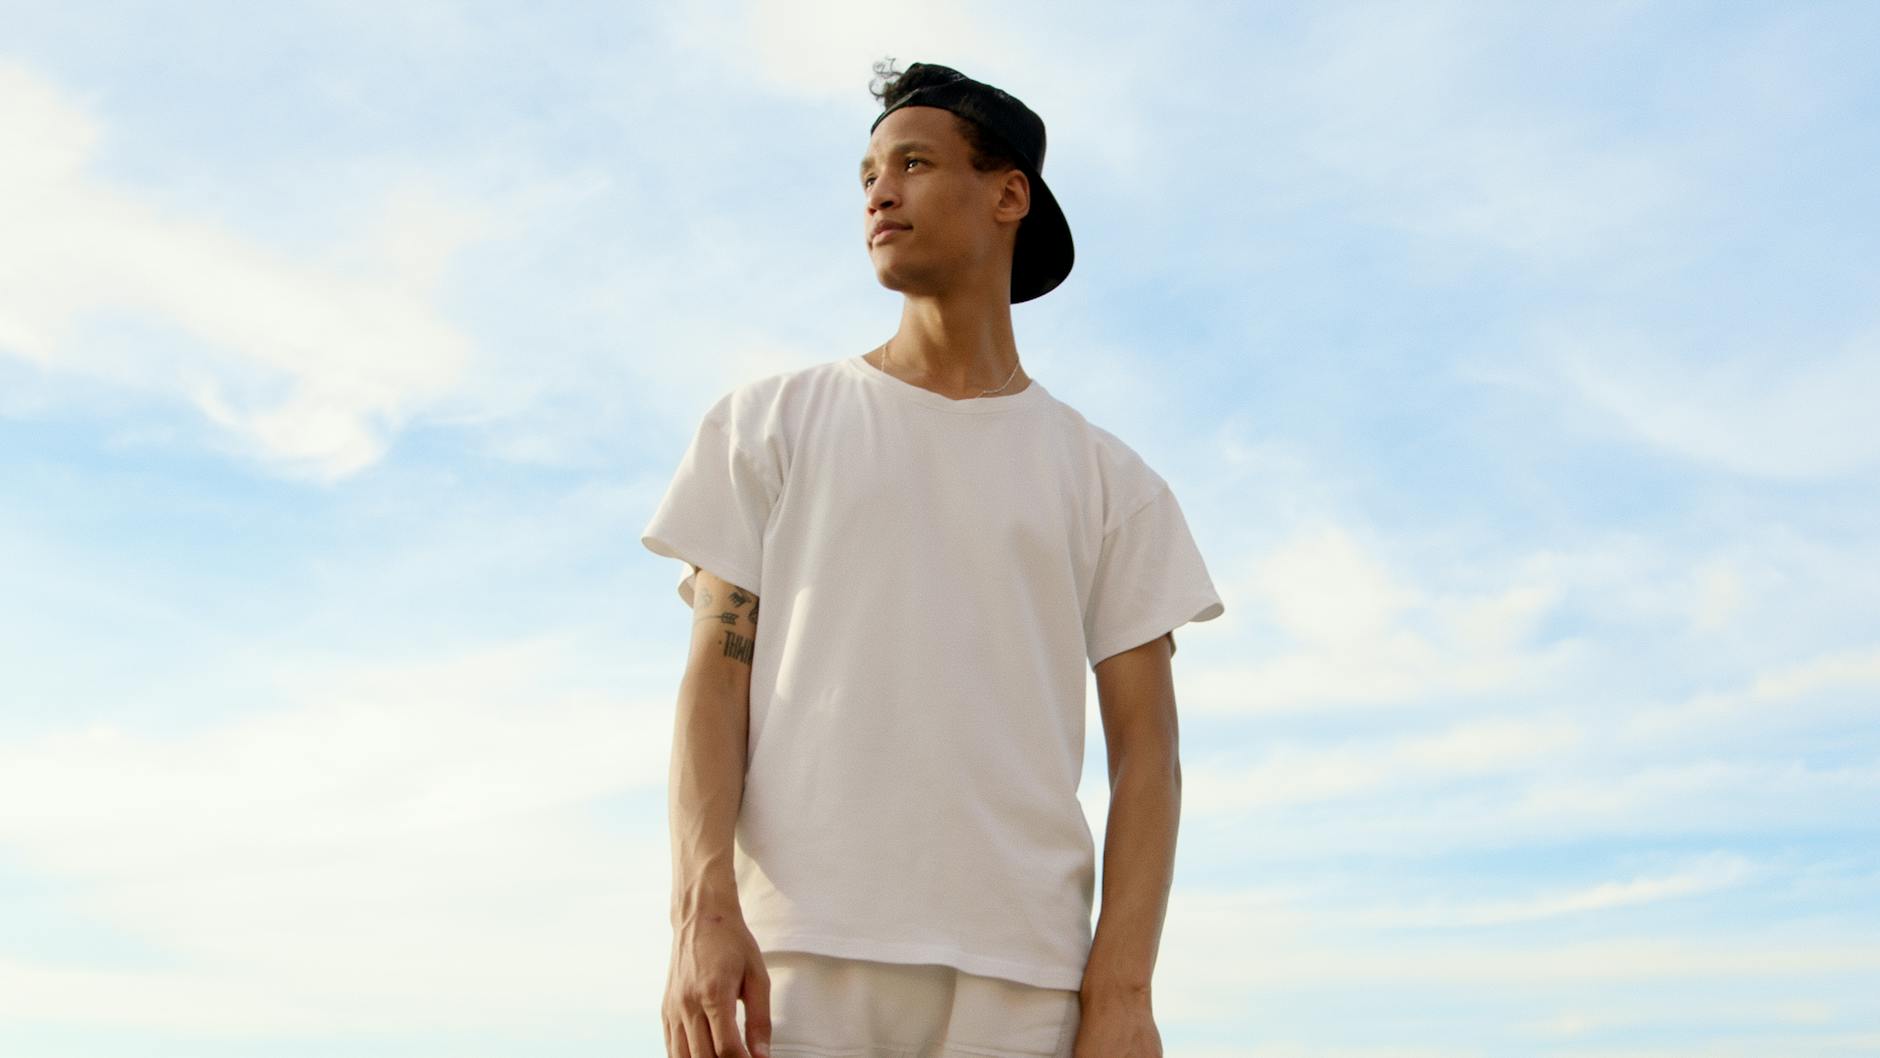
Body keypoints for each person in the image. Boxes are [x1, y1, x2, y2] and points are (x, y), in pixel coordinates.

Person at [642, 58, 1224, 1058]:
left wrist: (1122, 989)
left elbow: (1148, 757)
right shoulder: (767, 424)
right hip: (794, 962)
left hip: (1028, 979)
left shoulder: (1111, 481)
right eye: (868, 172)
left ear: (1009, 195)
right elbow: (714, 680)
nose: (879, 191)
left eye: (913, 163)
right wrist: (700, 912)